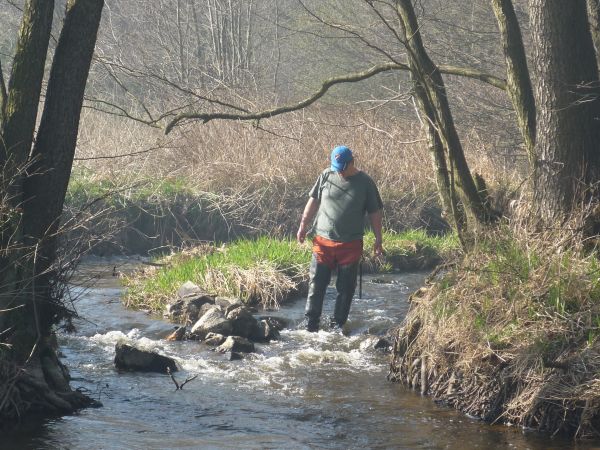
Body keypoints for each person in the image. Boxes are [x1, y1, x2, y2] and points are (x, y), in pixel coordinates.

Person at [296, 145, 384, 332]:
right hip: (323, 242)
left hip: (350, 246)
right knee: (316, 284)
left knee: (345, 290)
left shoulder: (365, 182)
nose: (340, 172)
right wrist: (303, 225)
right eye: (337, 167)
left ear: (352, 162)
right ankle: (310, 324)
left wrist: (378, 239)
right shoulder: (326, 175)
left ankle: (337, 326)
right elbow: (313, 200)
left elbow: (375, 212)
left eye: (342, 168)